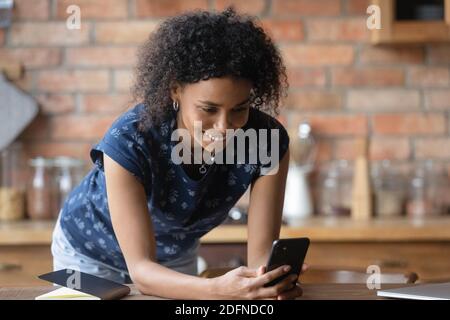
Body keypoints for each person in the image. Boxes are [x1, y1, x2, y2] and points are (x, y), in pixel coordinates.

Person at [51, 7, 306, 300]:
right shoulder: (130, 139)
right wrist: (216, 289)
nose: (224, 127)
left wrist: (268, 284)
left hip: (172, 259)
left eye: (239, 109)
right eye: (208, 109)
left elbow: (261, 257)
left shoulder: (268, 141)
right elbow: (142, 271)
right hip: (87, 252)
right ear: (175, 90)